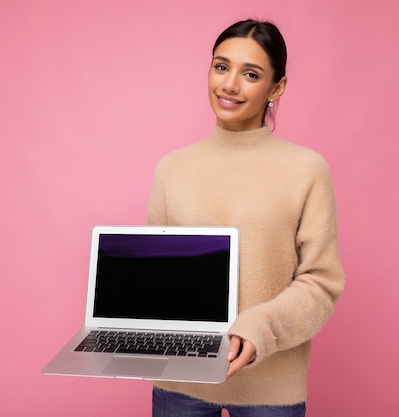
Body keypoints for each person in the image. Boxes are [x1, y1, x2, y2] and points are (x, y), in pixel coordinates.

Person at [146, 19, 345, 417]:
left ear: (277, 88)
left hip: (269, 387)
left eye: (250, 74)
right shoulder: (172, 168)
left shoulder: (306, 169)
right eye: (221, 67)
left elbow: (322, 282)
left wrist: (257, 328)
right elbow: (160, 274)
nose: (230, 85)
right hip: (178, 380)